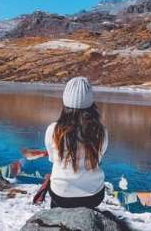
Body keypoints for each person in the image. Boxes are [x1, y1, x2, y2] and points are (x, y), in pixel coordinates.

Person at [44, 77, 108, 209]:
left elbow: (52, 159)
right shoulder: (101, 132)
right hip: (93, 196)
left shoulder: (53, 130)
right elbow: (98, 159)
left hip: (61, 195)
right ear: (91, 104)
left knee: (56, 197)